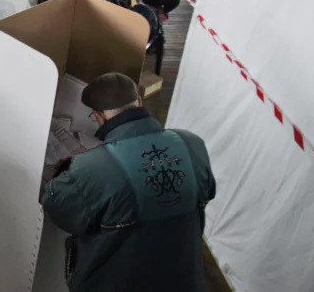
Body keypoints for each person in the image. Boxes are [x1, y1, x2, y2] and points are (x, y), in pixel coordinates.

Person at [40, 72, 215, 292]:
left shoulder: (93, 167)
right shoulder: (192, 143)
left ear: (99, 116)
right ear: (139, 101)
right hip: (184, 280)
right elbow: (207, 192)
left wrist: (63, 174)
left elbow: (57, 207)